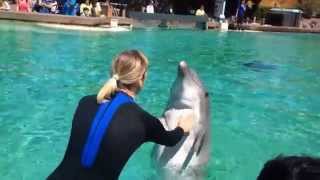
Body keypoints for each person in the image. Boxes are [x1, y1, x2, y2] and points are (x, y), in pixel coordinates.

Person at [47, 50, 194, 180]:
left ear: (113, 72)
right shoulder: (143, 121)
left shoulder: (85, 102)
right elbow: (170, 139)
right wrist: (182, 128)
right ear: (141, 78)